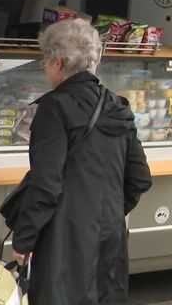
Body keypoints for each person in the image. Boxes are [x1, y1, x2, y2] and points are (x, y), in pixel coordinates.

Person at [11, 19, 152, 304]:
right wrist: (107, 211)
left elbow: (46, 184)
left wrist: (24, 239)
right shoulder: (118, 106)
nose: (45, 69)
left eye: (45, 62)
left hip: (65, 243)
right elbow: (140, 179)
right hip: (110, 237)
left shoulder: (53, 108)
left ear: (58, 62)